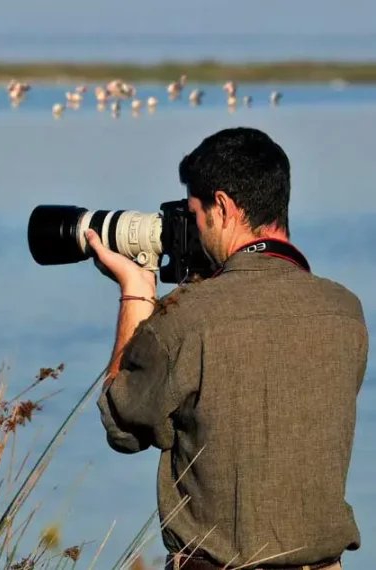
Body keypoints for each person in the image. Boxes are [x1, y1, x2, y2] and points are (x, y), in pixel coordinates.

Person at [90, 127, 367, 570]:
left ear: (222, 206)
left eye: (195, 213)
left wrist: (136, 294)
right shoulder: (345, 311)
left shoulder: (188, 318)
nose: (194, 228)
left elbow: (124, 426)